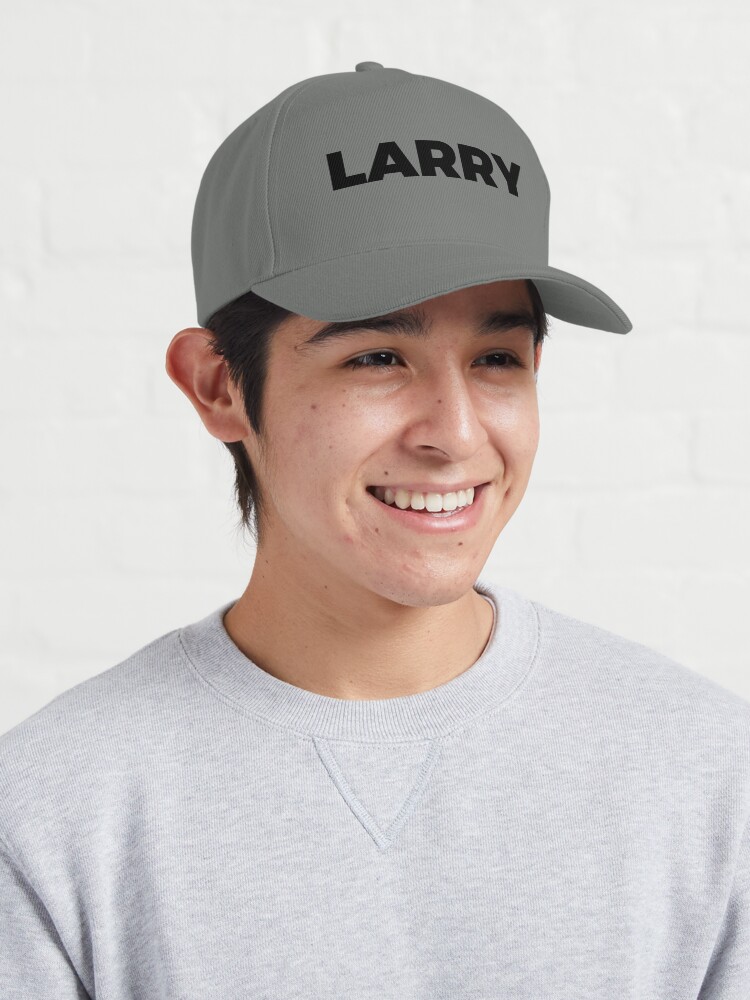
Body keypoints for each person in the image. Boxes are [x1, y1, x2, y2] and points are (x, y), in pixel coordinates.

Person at [1, 61, 748, 999]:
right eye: (378, 357)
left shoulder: (712, 778)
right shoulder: (51, 817)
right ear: (219, 385)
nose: (457, 434)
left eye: (497, 358)